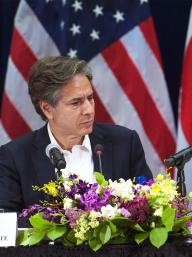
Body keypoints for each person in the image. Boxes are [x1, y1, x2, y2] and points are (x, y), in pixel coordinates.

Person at [0, 56, 152, 213]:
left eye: (90, 98)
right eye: (76, 103)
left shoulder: (125, 143)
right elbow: (7, 224)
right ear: (47, 109)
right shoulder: (15, 157)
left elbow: (149, 207)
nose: (89, 110)